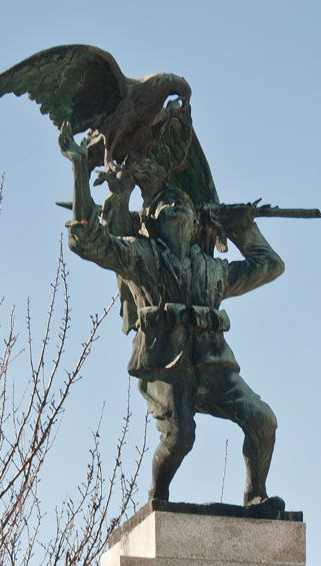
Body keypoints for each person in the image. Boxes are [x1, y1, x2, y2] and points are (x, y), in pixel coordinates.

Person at [59, 123, 286, 509]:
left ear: (197, 222)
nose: (177, 206)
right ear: (150, 219)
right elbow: (87, 240)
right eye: (167, 204)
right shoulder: (140, 255)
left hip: (213, 363)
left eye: (183, 203)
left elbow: (270, 265)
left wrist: (241, 227)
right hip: (166, 361)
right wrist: (81, 169)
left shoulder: (212, 271)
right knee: (180, 437)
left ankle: (255, 493)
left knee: (262, 420)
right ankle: (158, 495)